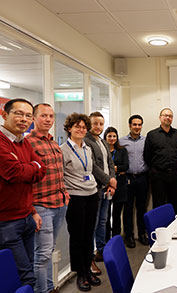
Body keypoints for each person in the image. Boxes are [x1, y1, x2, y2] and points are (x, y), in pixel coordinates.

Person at [0, 98, 46, 287]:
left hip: (26, 217)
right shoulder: (2, 142)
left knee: (26, 273)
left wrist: (33, 211)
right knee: (23, 277)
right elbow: (15, 172)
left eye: (28, 115)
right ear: (4, 114)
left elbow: (42, 169)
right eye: (18, 113)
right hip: (7, 223)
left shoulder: (23, 142)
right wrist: (30, 166)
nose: (24, 119)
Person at [26, 103, 69, 293]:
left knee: (49, 250)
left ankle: (50, 287)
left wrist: (65, 195)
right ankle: (41, 290)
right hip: (41, 206)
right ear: (34, 118)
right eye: (43, 116)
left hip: (59, 203)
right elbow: (25, 179)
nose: (48, 119)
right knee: (42, 254)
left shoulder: (53, 143)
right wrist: (32, 209)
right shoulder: (27, 143)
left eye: (51, 116)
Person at [61, 113, 101, 291]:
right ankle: (81, 273)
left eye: (84, 127)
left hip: (91, 194)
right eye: (77, 126)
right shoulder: (63, 149)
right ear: (69, 128)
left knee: (88, 234)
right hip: (75, 197)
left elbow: (90, 170)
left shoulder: (87, 148)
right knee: (77, 237)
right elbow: (60, 176)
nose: (81, 129)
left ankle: (88, 268)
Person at [84, 112, 116, 273]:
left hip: (106, 188)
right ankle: (89, 258)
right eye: (95, 123)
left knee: (103, 221)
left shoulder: (102, 141)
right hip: (94, 189)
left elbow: (110, 163)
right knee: (93, 223)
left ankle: (101, 250)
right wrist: (108, 180)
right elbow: (92, 166)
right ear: (89, 124)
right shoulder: (86, 142)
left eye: (101, 124)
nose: (98, 127)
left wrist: (112, 182)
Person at [144, 108, 177, 213]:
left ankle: (175, 228)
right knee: (158, 204)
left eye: (170, 116)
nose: (168, 118)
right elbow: (147, 156)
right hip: (158, 176)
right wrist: (154, 171)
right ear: (160, 117)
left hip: (175, 175)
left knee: (174, 203)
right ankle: (159, 229)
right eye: (165, 115)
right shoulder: (152, 135)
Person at [120, 115, 149, 248]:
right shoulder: (122, 141)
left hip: (143, 177)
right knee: (128, 208)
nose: (137, 127)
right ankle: (129, 235)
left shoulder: (146, 140)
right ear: (129, 125)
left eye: (139, 124)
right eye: (134, 124)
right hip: (128, 178)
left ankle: (142, 233)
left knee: (142, 207)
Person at [104, 127, 129, 238]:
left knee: (117, 214)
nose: (112, 138)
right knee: (106, 214)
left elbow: (126, 166)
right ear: (105, 137)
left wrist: (112, 168)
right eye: (109, 136)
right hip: (106, 184)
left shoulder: (122, 150)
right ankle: (106, 239)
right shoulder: (102, 150)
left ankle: (116, 238)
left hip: (120, 185)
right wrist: (118, 169)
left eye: (114, 136)